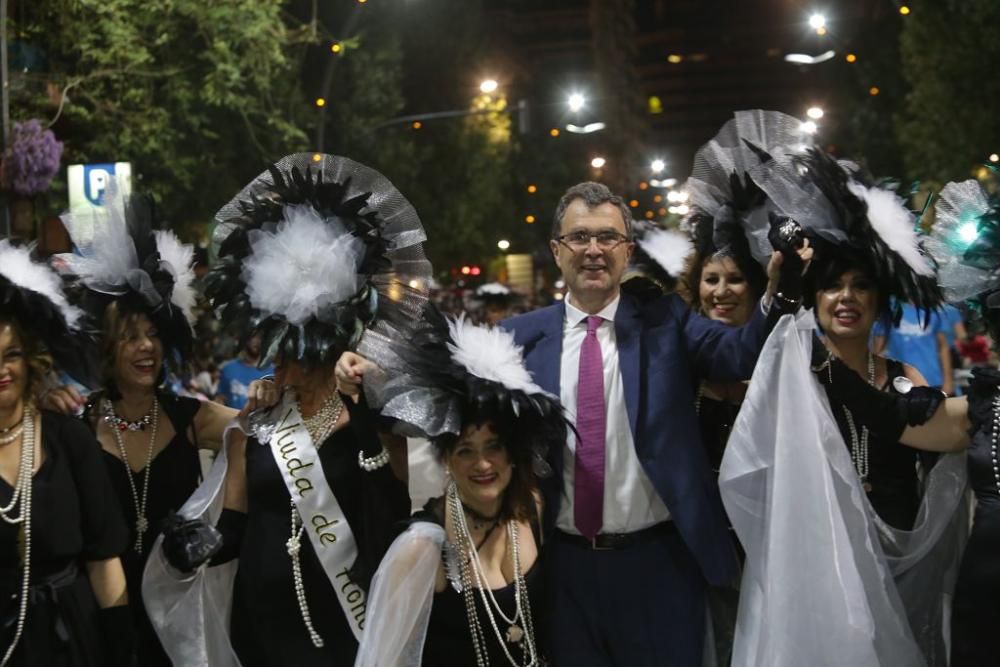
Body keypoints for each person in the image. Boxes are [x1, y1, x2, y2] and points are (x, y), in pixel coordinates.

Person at [499, 168, 811, 664]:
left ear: (627, 251)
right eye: (579, 236)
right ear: (557, 250)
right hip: (562, 568)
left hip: (661, 565)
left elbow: (739, 354)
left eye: (608, 237)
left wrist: (783, 289)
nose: (594, 249)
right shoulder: (517, 339)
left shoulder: (667, 320)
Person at [142, 153, 429, 667]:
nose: (279, 365)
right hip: (263, 625)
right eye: (276, 349)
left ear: (325, 348)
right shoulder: (249, 431)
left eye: (293, 353)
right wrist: (186, 545)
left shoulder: (370, 426)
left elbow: (392, 511)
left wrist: (366, 413)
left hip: (349, 621)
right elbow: (230, 535)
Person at [718, 140, 969, 665]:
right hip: (817, 574)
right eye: (832, 287)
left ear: (878, 300)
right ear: (816, 298)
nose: (846, 298)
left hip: (900, 573)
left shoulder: (906, 376)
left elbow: (940, 442)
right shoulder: (793, 375)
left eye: (860, 286)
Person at [48, 182, 278, 667]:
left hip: (179, 620)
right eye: (131, 337)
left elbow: (265, 429)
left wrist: (269, 390)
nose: (146, 348)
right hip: (102, 616)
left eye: (154, 334)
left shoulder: (190, 418)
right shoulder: (79, 424)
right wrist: (42, 399)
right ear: (108, 349)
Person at [350, 307, 566, 666]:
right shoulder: (420, 547)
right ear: (446, 460)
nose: (483, 464)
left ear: (512, 453)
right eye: (465, 450)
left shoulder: (533, 509)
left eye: (493, 447)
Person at [0, 240, 133, 666]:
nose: (2, 369)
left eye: (12, 354)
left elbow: (103, 559)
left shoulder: (68, 438)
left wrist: (121, 649)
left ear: (33, 358)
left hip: (73, 639)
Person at [873, 301, 955, 395]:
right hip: (901, 383)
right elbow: (878, 350)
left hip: (933, 380)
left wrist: (948, 381)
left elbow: (943, 347)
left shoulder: (935, 310)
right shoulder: (891, 308)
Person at [215, 333, 274, 409]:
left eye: (260, 338)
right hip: (232, 419)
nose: (257, 342)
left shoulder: (273, 372)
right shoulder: (229, 368)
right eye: (254, 337)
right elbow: (220, 399)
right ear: (246, 340)